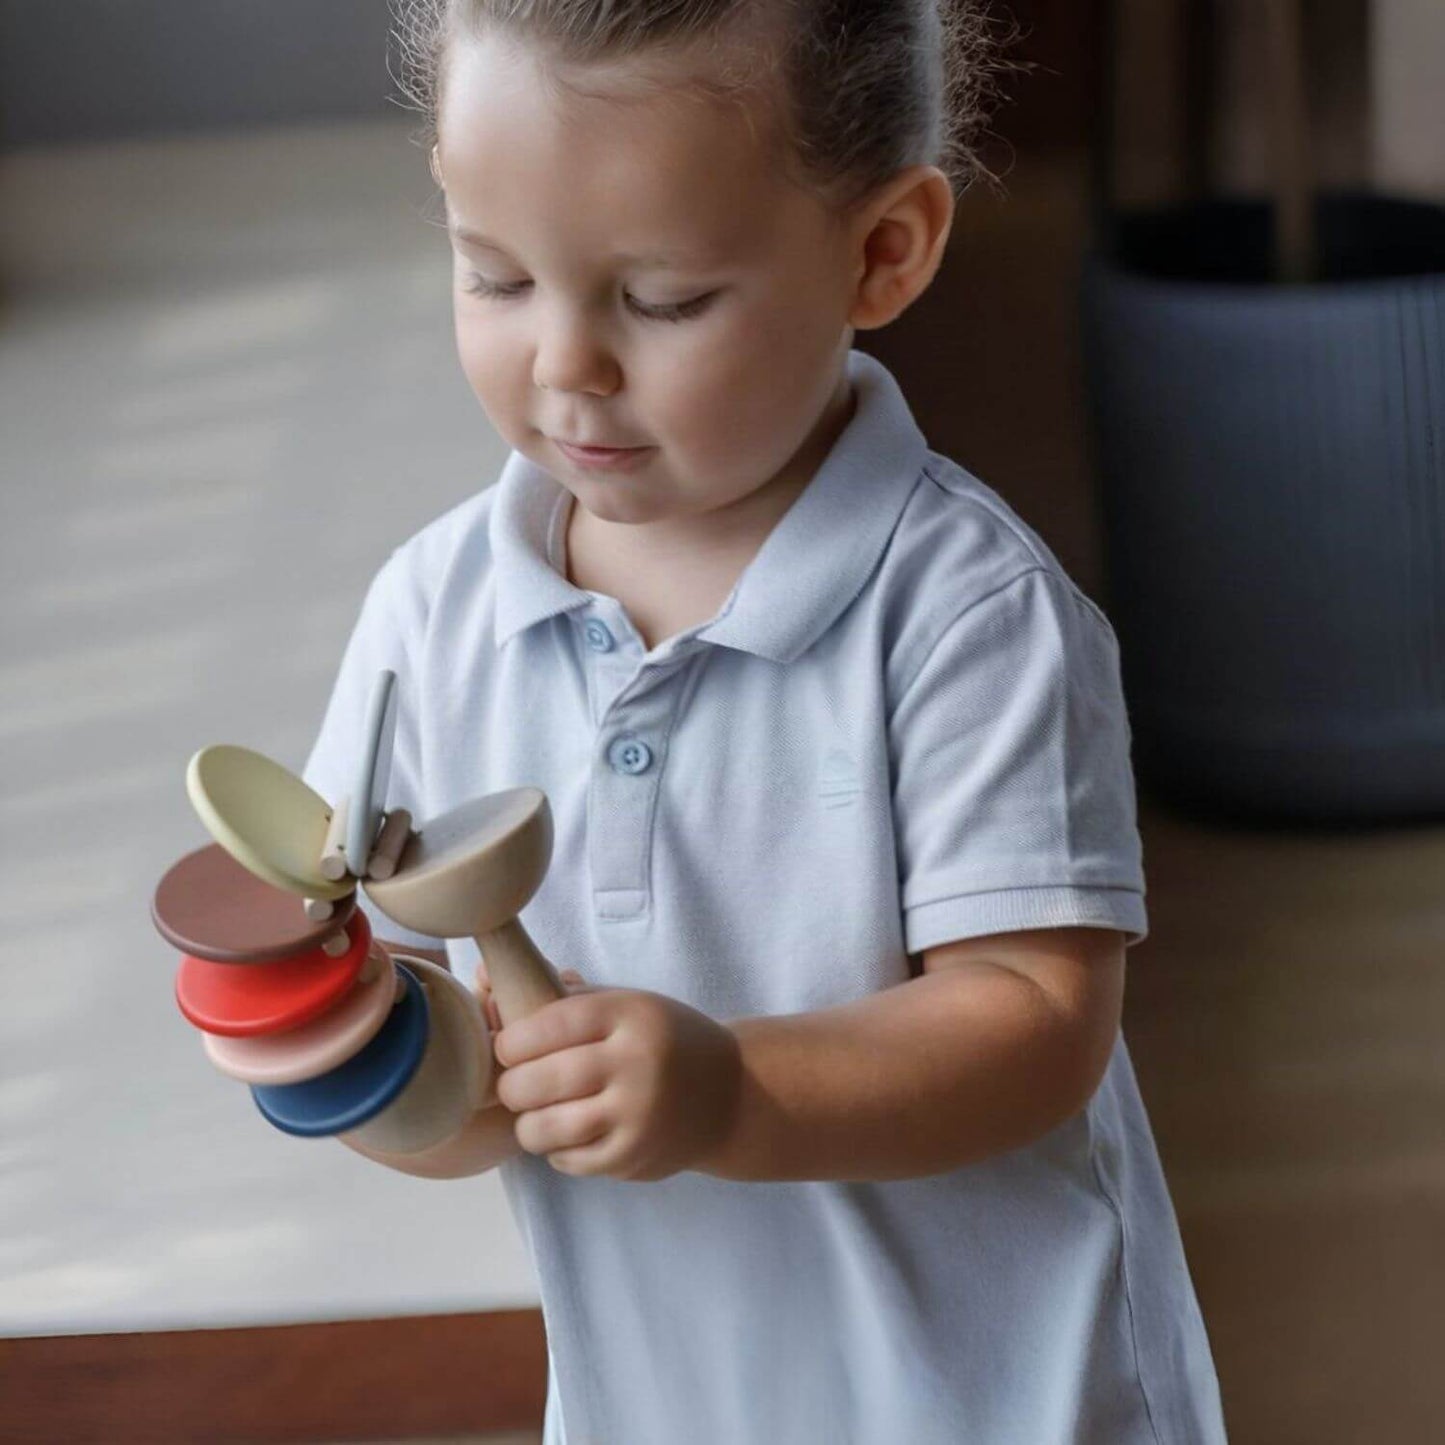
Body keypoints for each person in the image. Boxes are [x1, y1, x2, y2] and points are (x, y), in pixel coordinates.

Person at [302, 1, 1227, 1439]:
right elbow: (464, 1090)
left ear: (881, 252)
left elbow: (1038, 1022)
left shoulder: (969, 619)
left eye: (660, 300)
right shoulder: (433, 618)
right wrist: (348, 1062)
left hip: (1010, 1403)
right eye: (494, 277)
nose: (565, 366)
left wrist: (729, 1091)